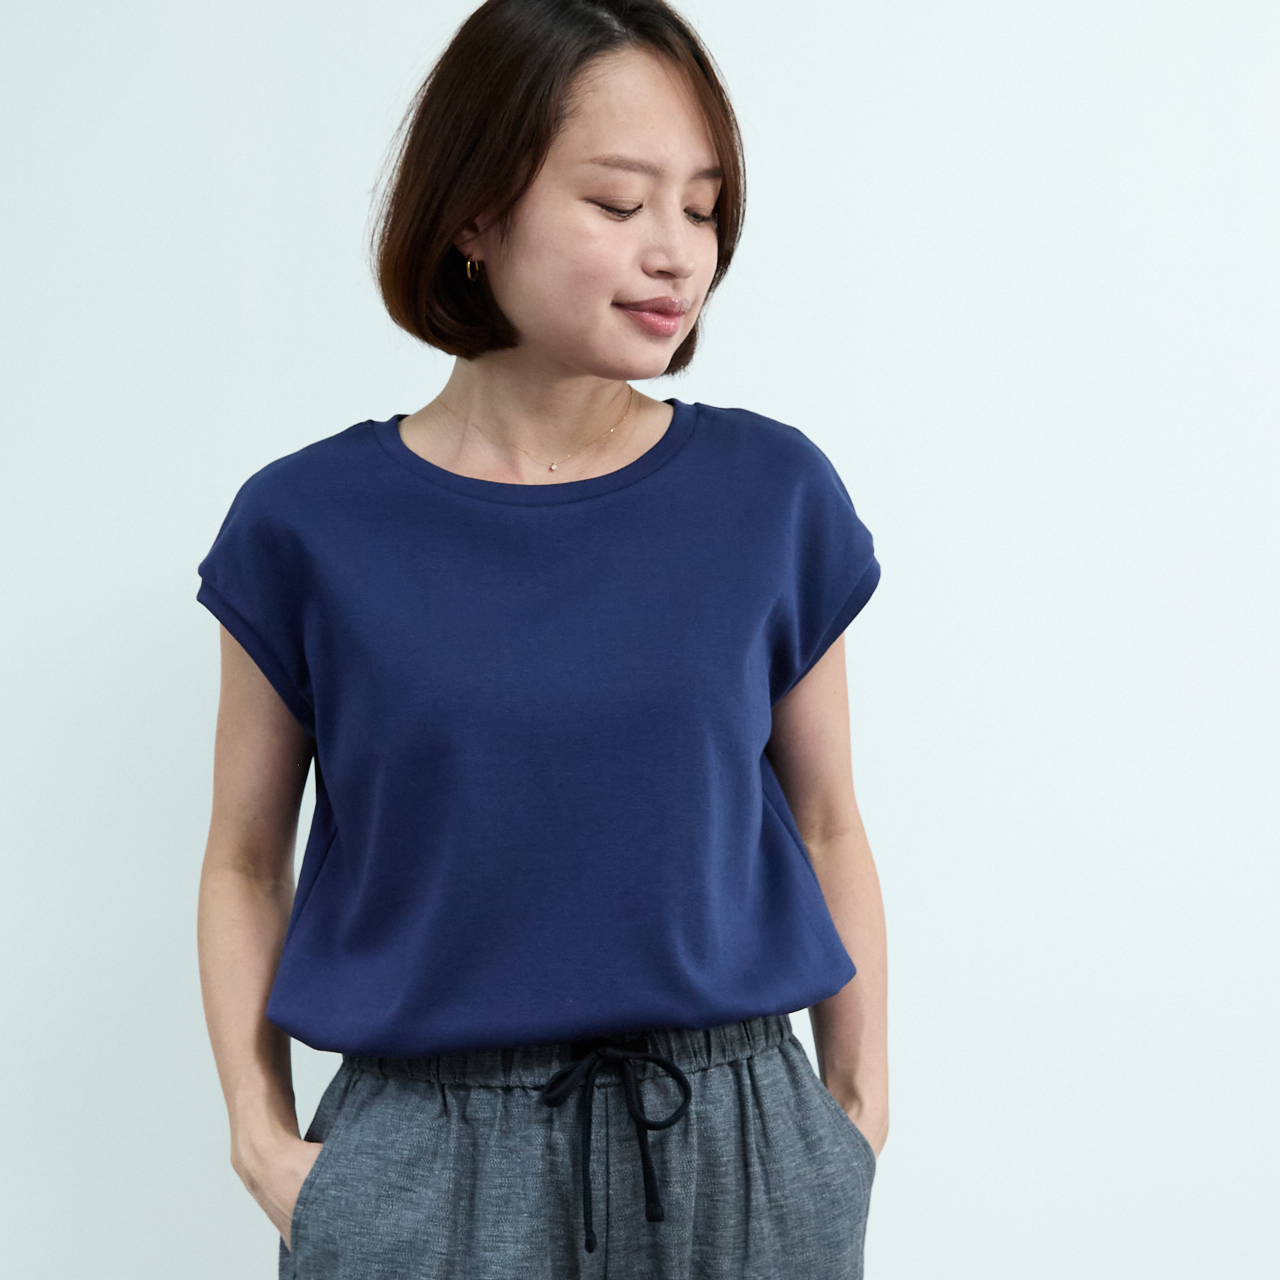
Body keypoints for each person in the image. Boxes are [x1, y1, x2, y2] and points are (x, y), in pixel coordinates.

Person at [194, 1, 888, 1276]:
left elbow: (828, 820)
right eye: (619, 203)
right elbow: (245, 857)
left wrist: (848, 1122)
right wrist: (261, 1136)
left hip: (737, 1145)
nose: (676, 252)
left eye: (702, 206)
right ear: (473, 214)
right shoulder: (306, 523)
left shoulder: (769, 494)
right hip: (425, 1159)